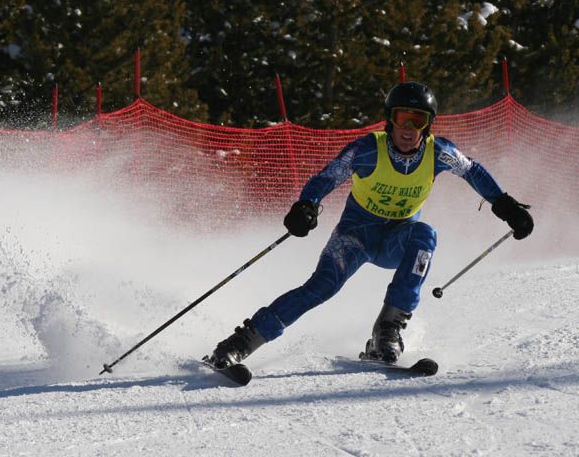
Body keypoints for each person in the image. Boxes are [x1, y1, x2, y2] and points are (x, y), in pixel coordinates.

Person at [207, 81, 534, 368]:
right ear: (390, 119)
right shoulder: (367, 150)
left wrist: (506, 206)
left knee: (425, 236)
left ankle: (387, 332)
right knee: (319, 290)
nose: (408, 128)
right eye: (401, 118)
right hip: (354, 238)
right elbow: (327, 177)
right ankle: (240, 343)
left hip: (396, 240)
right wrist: (307, 205)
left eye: (417, 120)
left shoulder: (440, 153)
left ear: (428, 125)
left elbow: (474, 172)